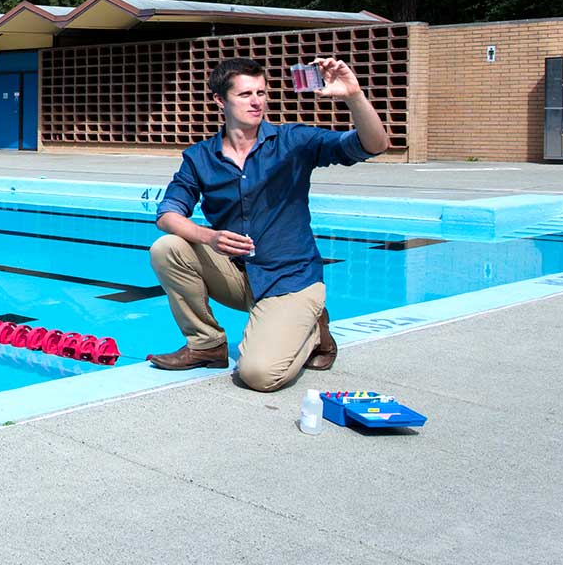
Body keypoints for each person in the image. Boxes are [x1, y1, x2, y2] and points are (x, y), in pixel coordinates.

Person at [146, 56, 389, 392]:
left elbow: (374, 145)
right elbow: (168, 214)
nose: (257, 101)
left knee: (259, 376)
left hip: (290, 279)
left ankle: (315, 328)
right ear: (220, 100)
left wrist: (353, 96)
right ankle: (207, 345)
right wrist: (209, 236)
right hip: (239, 276)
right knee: (167, 248)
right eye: (245, 94)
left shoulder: (294, 142)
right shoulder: (200, 157)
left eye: (261, 92)